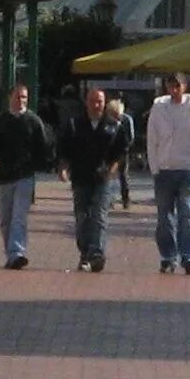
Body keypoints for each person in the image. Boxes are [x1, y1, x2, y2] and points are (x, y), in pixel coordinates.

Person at [57, 87, 133, 272]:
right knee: (82, 217)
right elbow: (64, 150)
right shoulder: (75, 124)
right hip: (81, 177)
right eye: (93, 101)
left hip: (103, 178)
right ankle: (85, 253)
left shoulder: (113, 126)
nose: (96, 105)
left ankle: (96, 254)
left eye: (100, 101)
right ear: (86, 102)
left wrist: (111, 169)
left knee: (99, 215)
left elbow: (121, 152)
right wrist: (64, 169)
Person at [0, 83, 56, 270]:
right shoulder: (0, 121)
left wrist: (48, 163)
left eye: (24, 97)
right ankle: (11, 254)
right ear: (10, 98)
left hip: (25, 175)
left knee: (19, 216)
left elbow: (44, 145)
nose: (21, 100)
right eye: (18, 96)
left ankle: (17, 252)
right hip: (3, 176)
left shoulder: (33, 121)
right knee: (6, 219)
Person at [146, 72, 190, 275]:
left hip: (185, 169)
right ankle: (167, 256)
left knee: (187, 212)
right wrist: (154, 166)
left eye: (177, 86)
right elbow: (152, 138)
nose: (174, 91)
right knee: (164, 217)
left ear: (184, 86)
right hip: (164, 170)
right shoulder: (158, 107)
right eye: (170, 86)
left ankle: (189, 256)